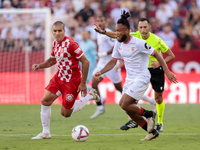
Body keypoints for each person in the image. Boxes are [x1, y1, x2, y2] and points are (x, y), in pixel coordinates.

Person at [93, 11, 177, 141]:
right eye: (116, 31)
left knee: (124, 104)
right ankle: (152, 132)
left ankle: (150, 114)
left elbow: (157, 55)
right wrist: (101, 72)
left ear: (127, 31)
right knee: (127, 109)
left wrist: (167, 71)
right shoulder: (118, 43)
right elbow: (112, 61)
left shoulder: (138, 43)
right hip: (129, 79)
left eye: (119, 31)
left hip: (142, 78)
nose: (117, 34)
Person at [31, 21, 100, 139]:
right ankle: (46, 133)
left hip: (72, 81)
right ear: (52, 32)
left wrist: (83, 83)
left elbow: (85, 61)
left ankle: (90, 96)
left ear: (64, 31)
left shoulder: (71, 44)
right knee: (45, 101)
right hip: (59, 77)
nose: (57, 33)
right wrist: (40, 65)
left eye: (59, 30)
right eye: (55, 31)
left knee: (65, 114)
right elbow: (52, 60)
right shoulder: (55, 43)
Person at [90, 16, 123, 119]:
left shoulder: (108, 33)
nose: (99, 22)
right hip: (101, 63)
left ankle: (135, 104)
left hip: (111, 64)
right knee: (94, 83)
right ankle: (100, 107)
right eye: (98, 20)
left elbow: (115, 46)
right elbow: (101, 46)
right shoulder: (99, 33)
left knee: (119, 88)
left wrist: (103, 53)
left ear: (106, 21)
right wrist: (99, 56)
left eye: (101, 20)